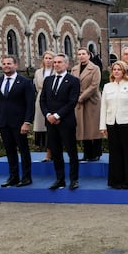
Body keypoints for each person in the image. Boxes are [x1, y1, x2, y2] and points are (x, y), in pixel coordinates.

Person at [0, 55, 36, 188]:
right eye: (4, 64)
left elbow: (30, 104)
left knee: (23, 150)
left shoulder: (25, 82)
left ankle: (26, 177)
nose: (6, 66)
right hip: (4, 123)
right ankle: (13, 177)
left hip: (20, 123)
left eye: (9, 63)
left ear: (16, 65)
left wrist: (27, 122)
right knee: (9, 151)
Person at [99, 61, 128, 189]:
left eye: (119, 69)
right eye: (114, 69)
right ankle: (116, 180)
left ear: (124, 71)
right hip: (112, 124)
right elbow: (103, 107)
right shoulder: (107, 87)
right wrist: (103, 126)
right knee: (115, 153)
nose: (116, 71)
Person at [39, 53, 80, 190]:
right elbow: (42, 100)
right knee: (56, 152)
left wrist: (57, 115)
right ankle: (59, 179)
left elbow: (72, 102)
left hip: (66, 122)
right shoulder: (48, 80)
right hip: (50, 123)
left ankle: (74, 179)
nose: (56, 64)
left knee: (71, 152)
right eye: (55, 62)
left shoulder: (73, 80)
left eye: (59, 62)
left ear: (66, 64)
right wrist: (48, 115)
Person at [71, 47, 103, 162]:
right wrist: (75, 97)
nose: (81, 56)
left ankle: (96, 153)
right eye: (79, 54)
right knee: (83, 127)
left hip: (92, 101)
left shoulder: (95, 68)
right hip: (79, 102)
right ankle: (86, 153)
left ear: (89, 55)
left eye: (84, 54)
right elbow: (72, 84)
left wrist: (82, 97)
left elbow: (94, 86)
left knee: (93, 127)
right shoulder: (74, 69)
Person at [32, 50, 55, 162]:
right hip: (40, 99)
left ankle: (52, 153)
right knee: (42, 128)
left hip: (53, 99)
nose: (48, 60)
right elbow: (37, 86)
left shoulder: (56, 71)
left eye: (50, 58)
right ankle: (46, 152)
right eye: (46, 58)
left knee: (51, 128)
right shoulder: (38, 72)